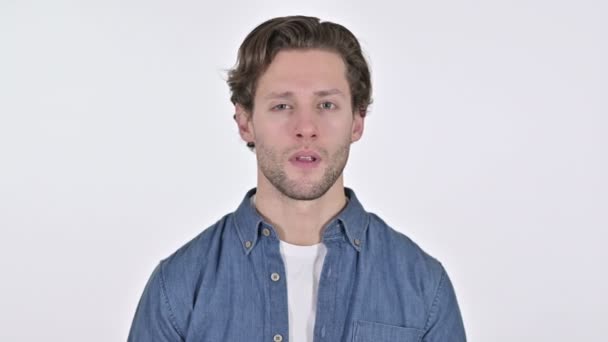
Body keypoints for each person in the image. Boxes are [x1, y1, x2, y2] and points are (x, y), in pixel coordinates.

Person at [128, 15, 466, 342]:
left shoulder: (423, 286)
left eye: (327, 105)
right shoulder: (177, 287)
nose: (306, 127)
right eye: (282, 106)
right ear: (245, 122)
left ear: (357, 121)